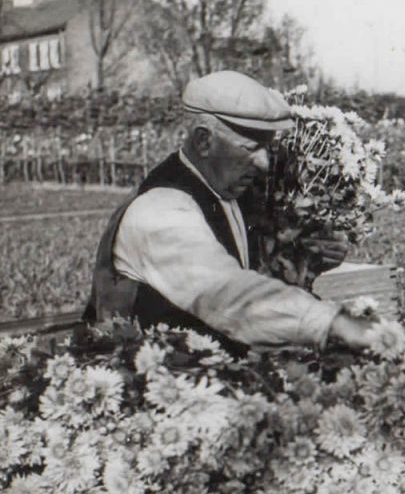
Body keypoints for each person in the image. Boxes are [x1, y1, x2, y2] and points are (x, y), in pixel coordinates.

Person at [83, 70, 378, 356]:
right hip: (153, 377)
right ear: (203, 141)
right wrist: (334, 324)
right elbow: (226, 293)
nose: (264, 163)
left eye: (267, 148)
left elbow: (255, 272)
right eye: (250, 148)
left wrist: (312, 257)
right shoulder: (160, 210)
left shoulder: (225, 189)